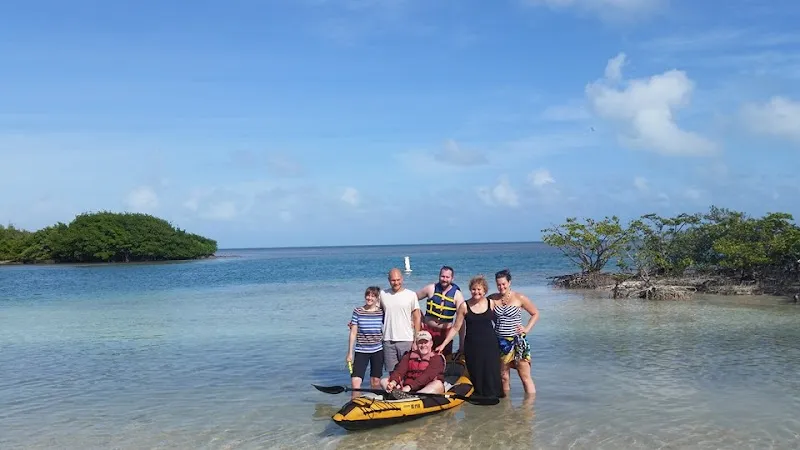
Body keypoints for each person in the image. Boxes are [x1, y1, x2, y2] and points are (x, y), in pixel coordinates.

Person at [434, 274, 503, 398]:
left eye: (479, 289)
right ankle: (478, 401)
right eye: (473, 289)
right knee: (476, 373)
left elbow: (500, 322)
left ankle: (495, 402)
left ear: (484, 290)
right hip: (472, 346)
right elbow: (456, 327)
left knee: (492, 373)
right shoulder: (464, 306)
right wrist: (443, 344)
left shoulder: (491, 303)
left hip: (490, 345)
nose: (476, 292)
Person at [488, 269, 539, 395]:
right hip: (500, 342)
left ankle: (529, 409)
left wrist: (526, 329)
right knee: (504, 377)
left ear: (509, 282)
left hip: (517, 342)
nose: (501, 287)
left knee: (524, 377)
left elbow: (535, 313)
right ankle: (506, 408)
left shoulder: (519, 297)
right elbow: (481, 310)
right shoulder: (492, 299)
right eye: (499, 284)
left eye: (504, 284)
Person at [416, 265, 465, 357]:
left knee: (443, 360)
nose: (444, 279)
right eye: (442, 276)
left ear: (452, 278)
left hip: (445, 333)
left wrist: (461, 344)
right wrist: (419, 315)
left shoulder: (457, 295)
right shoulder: (430, 288)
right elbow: (411, 299)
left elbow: (461, 322)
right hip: (428, 331)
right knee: (424, 359)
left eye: (447, 277)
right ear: (439, 276)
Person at [346, 286, 384, 399]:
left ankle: (375, 403)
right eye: (368, 295)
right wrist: (350, 353)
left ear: (377, 298)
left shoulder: (381, 312)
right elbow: (353, 333)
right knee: (355, 382)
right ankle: (355, 403)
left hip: (378, 350)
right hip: (361, 350)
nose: (369, 298)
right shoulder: (358, 311)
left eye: (373, 296)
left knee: (375, 381)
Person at [381, 330, 445, 398]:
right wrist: (393, 382)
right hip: (408, 389)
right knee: (383, 381)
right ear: (416, 344)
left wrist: (410, 387)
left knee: (438, 384)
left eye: (426, 342)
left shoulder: (437, 358)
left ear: (431, 343)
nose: (423, 345)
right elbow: (400, 371)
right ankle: (397, 395)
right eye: (420, 343)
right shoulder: (409, 356)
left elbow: (427, 376)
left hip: (424, 389)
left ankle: (414, 397)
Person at [380, 268, 422, 372]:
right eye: (393, 280)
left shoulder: (411, 295)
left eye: (398, 279)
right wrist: (357, 322)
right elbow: (374, 312)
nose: (396, 282)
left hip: (406, 339)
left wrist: (416, 339)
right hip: (388, 340)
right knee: (392, 373)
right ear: (389, 280)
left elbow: (417, 317)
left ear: (402, 279)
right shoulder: (382, 294)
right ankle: (395, 389)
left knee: (408, 371)